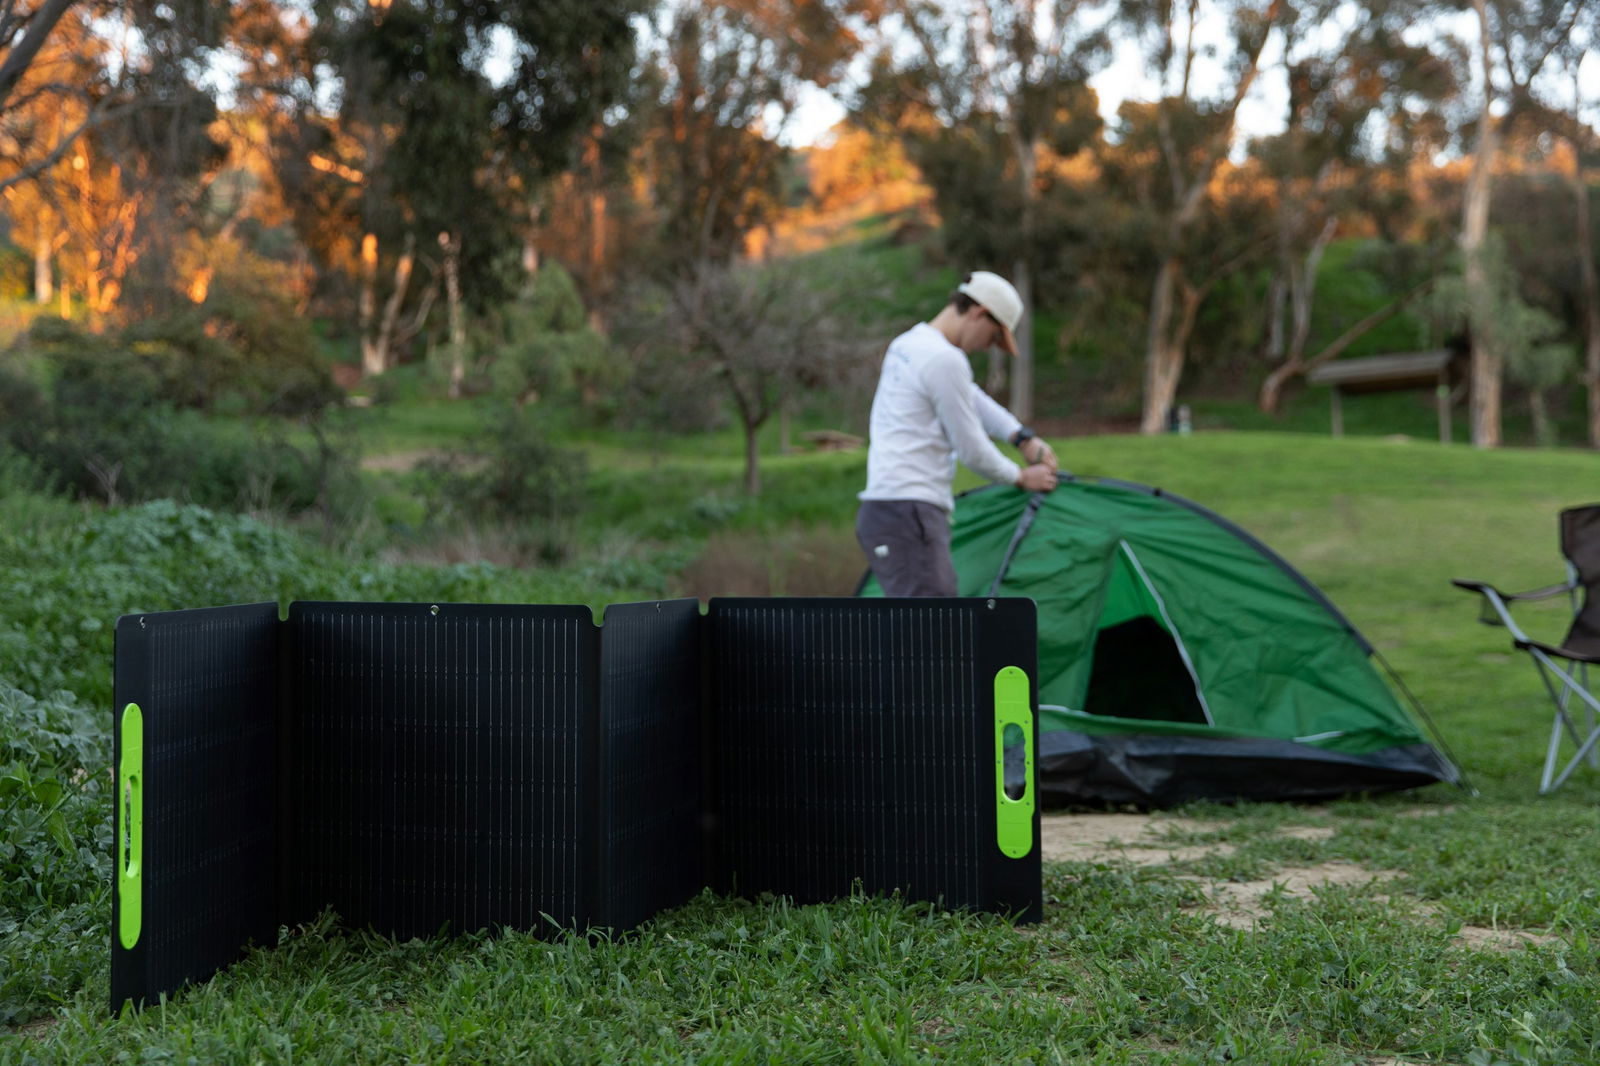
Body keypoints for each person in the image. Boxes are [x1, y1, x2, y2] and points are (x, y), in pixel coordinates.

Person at [856, 270, 1059, 597]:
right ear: (979, 312)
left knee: (925, 623)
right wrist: (1021, 477)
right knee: (936, 625)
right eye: (994, 337)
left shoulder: (908, 344)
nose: (988, 347)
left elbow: (968, 396)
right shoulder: (944, 359)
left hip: (887, 512)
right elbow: (972, 450)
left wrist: (1020, 436)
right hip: (910, 512)